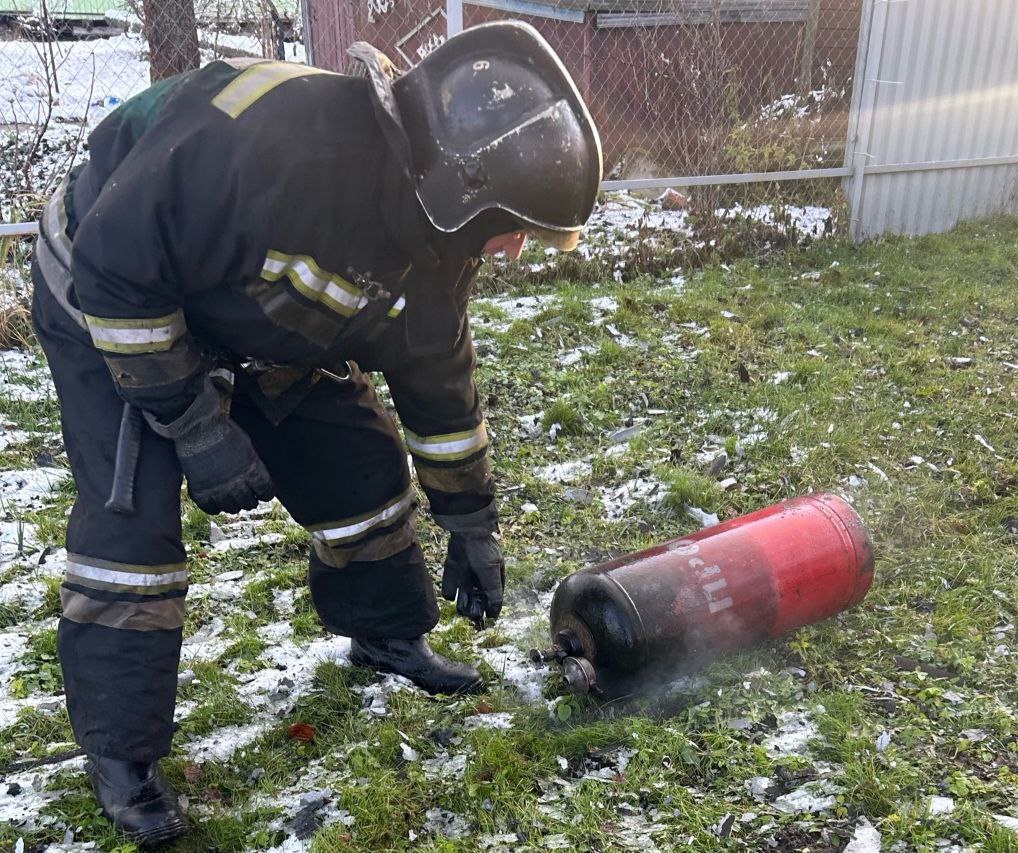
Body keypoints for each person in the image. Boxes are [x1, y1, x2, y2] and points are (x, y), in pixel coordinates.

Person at [30, 21, 601, 846]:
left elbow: (437, 377)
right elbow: (117, 264)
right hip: (110, 299)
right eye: (513, 226)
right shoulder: (276, 147)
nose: (512, 250)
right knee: (132, 531)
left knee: (359, 465)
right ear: (466, 185)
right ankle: (121, 757)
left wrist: (472, 522)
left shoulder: (435, 238)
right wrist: (193, 423)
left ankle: (385, 630)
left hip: (254, 321)